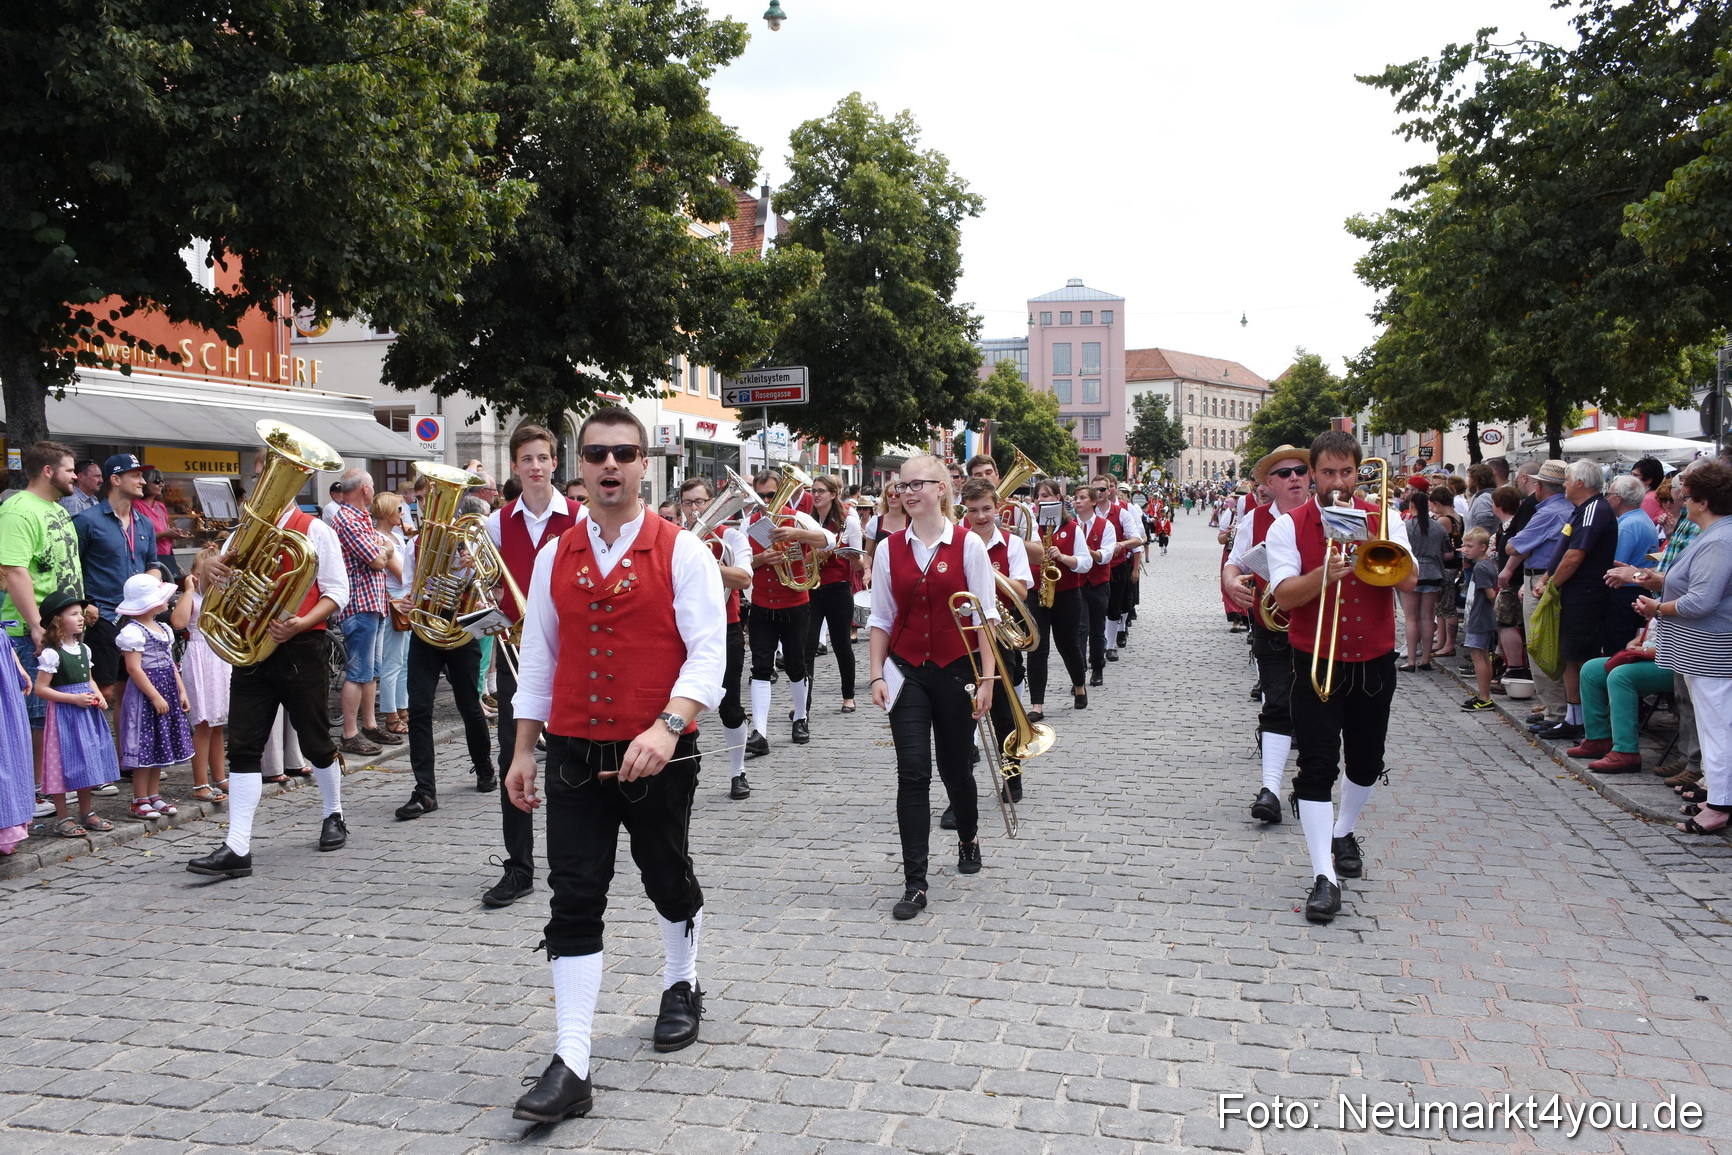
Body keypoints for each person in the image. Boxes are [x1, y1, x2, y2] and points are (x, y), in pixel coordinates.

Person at [505, 406, 724, 1123]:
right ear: (581, 464)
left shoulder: (680, 550)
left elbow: (708, 654)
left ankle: (682, 979)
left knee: (666, 875)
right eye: (596, 453)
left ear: (642, 464)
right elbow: (537, 656)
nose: (609, 465)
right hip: (571, 750)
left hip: (658, 750)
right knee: (573, 896)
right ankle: (572, 1060)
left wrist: (667, 726)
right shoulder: (553, 555)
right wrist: (522, 746)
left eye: (622, 453)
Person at [1269, 430, 1416, 924]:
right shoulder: (1289, 527)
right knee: (1316, 767)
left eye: (1346, 472)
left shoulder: (1385, 516)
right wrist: (1325, 575)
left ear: (1359, 473)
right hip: (1315, 660)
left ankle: (1343, 828)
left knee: (1367, 762)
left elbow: (1412, 578)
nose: (1337, 482)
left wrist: (1378, 542)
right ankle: (1323, 875)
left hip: (1373, 660)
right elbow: (1284, 596)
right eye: (1327, 473)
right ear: (1312, 474)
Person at [186, 447, 353, 879]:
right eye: (262, 475)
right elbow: (217, 587)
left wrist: (300, 623)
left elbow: (337, 592)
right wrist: (216, 572)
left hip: (301, 648)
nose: (264, 484)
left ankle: (333, 812)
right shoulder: (243, 531)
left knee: (316, 739)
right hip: (250, 647)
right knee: (243, 745)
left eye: (272, 475)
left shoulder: (315, 529)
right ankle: (237, 846)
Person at [867, 454, 998, 922]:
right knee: (913, 772)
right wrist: (878, 674)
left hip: (957, 667)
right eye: (901, 485)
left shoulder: (967, 545)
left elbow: (985, 616)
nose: (906, 491)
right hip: (907, 672)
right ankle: (915, 882)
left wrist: (987, 679)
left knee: (955, 769)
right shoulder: (887, 548)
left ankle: (968, 835)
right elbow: (881, 617)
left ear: (941, 488)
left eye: (916, 484)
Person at [480, 425, 580, 907]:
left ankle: (573, 862)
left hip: (577, 654)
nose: (536, 467)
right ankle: (518, 866)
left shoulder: (582, 518)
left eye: (543, 458)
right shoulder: (497, 524)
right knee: (511, 758)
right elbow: (484, 587)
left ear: (554, 463)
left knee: (570, 758)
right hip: (517, 656)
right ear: (514, 467)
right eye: (527, 460)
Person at [1635, 460, 1732, 834]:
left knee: (1718, 727)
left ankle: (1722, 803)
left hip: (1712, 650)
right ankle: (1718, 793)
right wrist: (1659, 583)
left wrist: (1658, 607)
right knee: (1713, 726)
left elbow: (1701, 601)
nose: (1683, 503)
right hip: (1701, 649)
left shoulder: (1720, 539)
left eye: (1688, 497)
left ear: (1703, 501)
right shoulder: (1713, 536)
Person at [394, 489, 497, 825]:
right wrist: (407, 602)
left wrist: (475, 566)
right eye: (423, 499)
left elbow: (490, 583)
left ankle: (484, 767)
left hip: (460, 630)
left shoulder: (472, 541)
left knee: (469, 706)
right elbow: (409, 589)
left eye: (433, 499)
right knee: (420, 708)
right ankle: (425, 790)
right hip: (426, 632)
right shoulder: (415, 545)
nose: (427, 506)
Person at [1222, 445, 1312, 824]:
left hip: (1321, 627)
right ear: (1269, 483)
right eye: (1284, 473)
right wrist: (1230, 582)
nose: (1294, 477)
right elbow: (1234, 562)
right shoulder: (1254, 519)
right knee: (1276, 701)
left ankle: (1312, 786)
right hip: (1272, 624)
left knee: (1314, 710)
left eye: (1300, 470)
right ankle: (1270, 790)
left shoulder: (1328, 515)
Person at [1, 441, 84, 776]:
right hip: (30, 633)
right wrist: (36, 625)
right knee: (36, 714)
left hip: (62, 629)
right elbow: (14, 571)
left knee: (56, 710)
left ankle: (51, 780)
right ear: (48, 471)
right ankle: (34, 789)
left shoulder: (60, 510)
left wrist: (81, 607)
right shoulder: (17, 510)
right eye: (69, 469)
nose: (75, 476)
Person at [743, 469, 834, 761]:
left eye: (772, 494)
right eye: (762, 496)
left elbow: (829, 541)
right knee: (760, 667)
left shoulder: (796, 517)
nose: (768, 501)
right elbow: (738, 564)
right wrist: (759, 560)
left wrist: (798, 534)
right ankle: (760, 732)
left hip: (795, 603)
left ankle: (800, 717)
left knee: (796, 665)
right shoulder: (749, 523)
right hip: (761, 605)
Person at [959, 476, 1034, 808]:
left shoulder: (1011, 544)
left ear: (998, 508)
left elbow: (1022, 591)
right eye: (973, 510)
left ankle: (1012, 776)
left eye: (987, 509)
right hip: (962, 633)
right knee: (959, 713)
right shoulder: (955, 540)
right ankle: (960, 785)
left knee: (1004, 714)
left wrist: (988, 573)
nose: (981, 516)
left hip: (1000, 634)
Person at [1533, 461, 1617, 742]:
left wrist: (1550, 586)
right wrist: (1546, 578)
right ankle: (1573, 717)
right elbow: (1563, 551)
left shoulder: (1594, 509)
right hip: (1572, 595)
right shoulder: (1581, 510)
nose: (1564, 484)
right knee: (1569, 655)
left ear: (1580, 482)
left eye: (1567, 479)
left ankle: (1591, 724)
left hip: (1585, 596)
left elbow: (1575, 556)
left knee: (1582, 658)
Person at [680, 477, 752, 799]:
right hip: (684, 631)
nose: (695, 509)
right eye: (688, 503)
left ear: (712, 502)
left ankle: (738, 772)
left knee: (730, 707)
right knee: (679, 704)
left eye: (701, 502)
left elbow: (744, 578)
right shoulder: (676, 537)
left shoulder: (731, 537)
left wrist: (704, 562)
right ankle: (683, 770)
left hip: (727, 628)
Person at [72, 454, 162, 708]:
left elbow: (153, 565)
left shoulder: (144, 523)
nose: (143, 481)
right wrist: (84, 603)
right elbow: (70, 568)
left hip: (137, 617)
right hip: (103, 615)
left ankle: (124, 750)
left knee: (129, 690)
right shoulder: (86, 521)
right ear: (115, 479)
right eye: (136, 475)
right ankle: (95, 747)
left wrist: (154, 588)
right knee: (104, 691)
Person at [32, 593, 118, 839]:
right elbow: (41, 689)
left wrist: (97, 695)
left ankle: (87, 811)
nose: (81, 618)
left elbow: (88, 679)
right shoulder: (52, 653)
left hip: (86, 713)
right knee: (62, 763)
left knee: (86, 761)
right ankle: (62, 817)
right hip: (64, 717)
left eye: (81, 614)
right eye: (74, 614)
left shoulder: (83, 649)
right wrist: (74, 699)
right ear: (58, 621)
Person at [328, 468, 401, 755]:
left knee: (370, 672)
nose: (373, 490)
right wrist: (382, 549)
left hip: (373, 602)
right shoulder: (347, 519)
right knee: (357, 672)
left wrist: (383, 549)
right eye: (371, 486)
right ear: (364, 489)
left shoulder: (361, 518)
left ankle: (369, 725)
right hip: (359, 604)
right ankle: (350, 733)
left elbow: (385, 551)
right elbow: (377, 560)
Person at [1498, 460, 1573, 728]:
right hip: (1546, 577)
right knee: (1554, 647)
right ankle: (1559, 707)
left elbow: (1515, 547)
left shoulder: (1549, 513)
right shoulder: (1569, 509)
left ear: (1539, 486)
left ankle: (1556, 712)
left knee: (1540, 647)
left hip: (1541, 580)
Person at [113, 574, 193, 820]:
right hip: (146, 694)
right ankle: (139, 798)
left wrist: (180, 690)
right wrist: (155, 696)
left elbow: (170, 663)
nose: (167, 600)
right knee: (144, 744)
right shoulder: (133, 632)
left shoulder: (163, 629)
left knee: (160, 743)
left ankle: (154, 794)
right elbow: (134, 669)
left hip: (166, 687)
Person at [169, 548, 231, 804]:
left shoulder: (219, 596)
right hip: (200, 657)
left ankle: (219, 777)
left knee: (217, 723)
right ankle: (200, 782)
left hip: (218, 657)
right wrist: (186, 590)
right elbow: (178, 622)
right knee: (204, 723)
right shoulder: (192, 598)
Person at [802, 474, 864, 714]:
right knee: (806, 647)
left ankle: (848, 696)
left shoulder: (848, 519)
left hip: (838, 589)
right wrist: (812, 557)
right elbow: (801, 555)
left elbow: (859, 565)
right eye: (813, 490)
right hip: (812, 589)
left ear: (833, 494)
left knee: (841, 645)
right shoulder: (807, 519)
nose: (816, 495)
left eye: (821, 491)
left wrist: (850, 557)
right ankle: (802, 704)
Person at [1028, 478, 1090, 717]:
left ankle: (1079, 687)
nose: (1041, 500)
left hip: (1066, 594)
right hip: (1037, 593)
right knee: (1037, 649)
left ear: (1058, 499)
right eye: (1038, 496)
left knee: (1068, 645)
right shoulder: (1031, 528)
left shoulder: (1072, 528)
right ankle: (1037, 706)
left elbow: (1085, 563)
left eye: (1046, 496)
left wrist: (1063, 557)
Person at [1604, 474, 1658, 657]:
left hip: (1625, 592)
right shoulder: (1642, 518)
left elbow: (1615, 566)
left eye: (1609, 494)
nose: (1607, 497)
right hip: (1639, 589)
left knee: (1617, 646)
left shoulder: (1627, 525)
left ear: (1618, 498)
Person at [1398, 477, 1448, 671]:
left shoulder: (1407, 527)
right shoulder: (1438, 527)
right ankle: (1426, 659)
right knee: (1427, 618)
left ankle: (1411, 660)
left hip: (1411, 572)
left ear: (1412, 505)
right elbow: (1448, 553)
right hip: (1433, 573)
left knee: (1411, 619)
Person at [373, 493, 412, 737]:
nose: (402, 513)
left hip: (403, 601)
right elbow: (401, 573)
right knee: (393, 661)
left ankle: (402, 707)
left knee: (405, 659)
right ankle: (391, 713)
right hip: (393, 603)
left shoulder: (396, 536)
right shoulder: (380, 539)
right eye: (398, 509)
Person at [1071, 482, 1117, 685]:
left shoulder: (1105, 525)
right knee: (1079, 630)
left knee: (1097, 629)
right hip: (1077, 584)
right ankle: (1079, 675)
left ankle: (1097, 668)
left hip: (1098, 583)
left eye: (1082, 498)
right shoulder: (1070, 525)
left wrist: (1084, 550)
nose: (1078, 501)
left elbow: (1105, 555)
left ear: (1093, 502)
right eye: (1076, 498)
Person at [1458, 528, 1500, 710]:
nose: (1465, 549)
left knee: (1478, 656)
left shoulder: (1481, 567)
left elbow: (1490, 594)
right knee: (1484, 655)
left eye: (1469, 546)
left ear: (1482, 547)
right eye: (1464, 545)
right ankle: (1485, 693)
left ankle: (1484, 697)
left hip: (1479, 618)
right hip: (1483, 617)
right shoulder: (1487, 564)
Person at [135, 470, 189, 582]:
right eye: (157, 481)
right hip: (150, 557)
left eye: (162, 481)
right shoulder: (136, 505)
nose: (161, 485)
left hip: (167, 555)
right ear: (145, 483)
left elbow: (166, 529)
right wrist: (166, 534)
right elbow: (139, 536)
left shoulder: (160, 506)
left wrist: (173, 533)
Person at [1428, 489, 1463, 658]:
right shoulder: (1457, 517)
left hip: (1445, 565)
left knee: (1447, 606)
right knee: (1440, 606)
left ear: (1438, 503)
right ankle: (1441, 641)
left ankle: (1448, 644)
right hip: (1451, 564)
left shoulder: (1443, 520)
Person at [1631, 457, 1666, 524]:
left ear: (1648, 480)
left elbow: (1639, 523)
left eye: (1635, 475)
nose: (1630, 478)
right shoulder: (1653, 495)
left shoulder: (1648, 499)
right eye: (1631, 474)